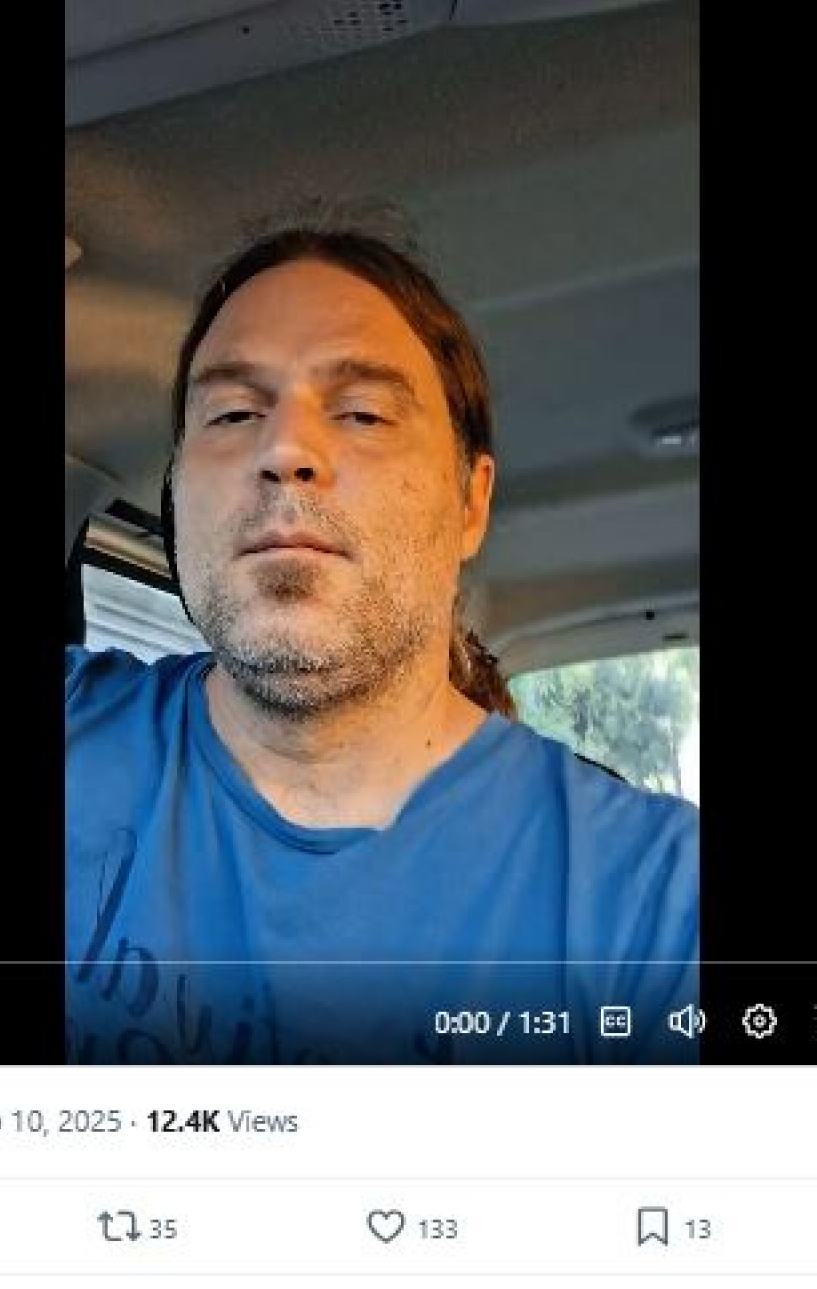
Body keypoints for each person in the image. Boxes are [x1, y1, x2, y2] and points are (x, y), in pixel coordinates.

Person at [66, 220, 698, 1064]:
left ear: (471, 503)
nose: (284, 448)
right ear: (179, 491)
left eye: (363, 412)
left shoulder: (656, 905)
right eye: (234, 412)